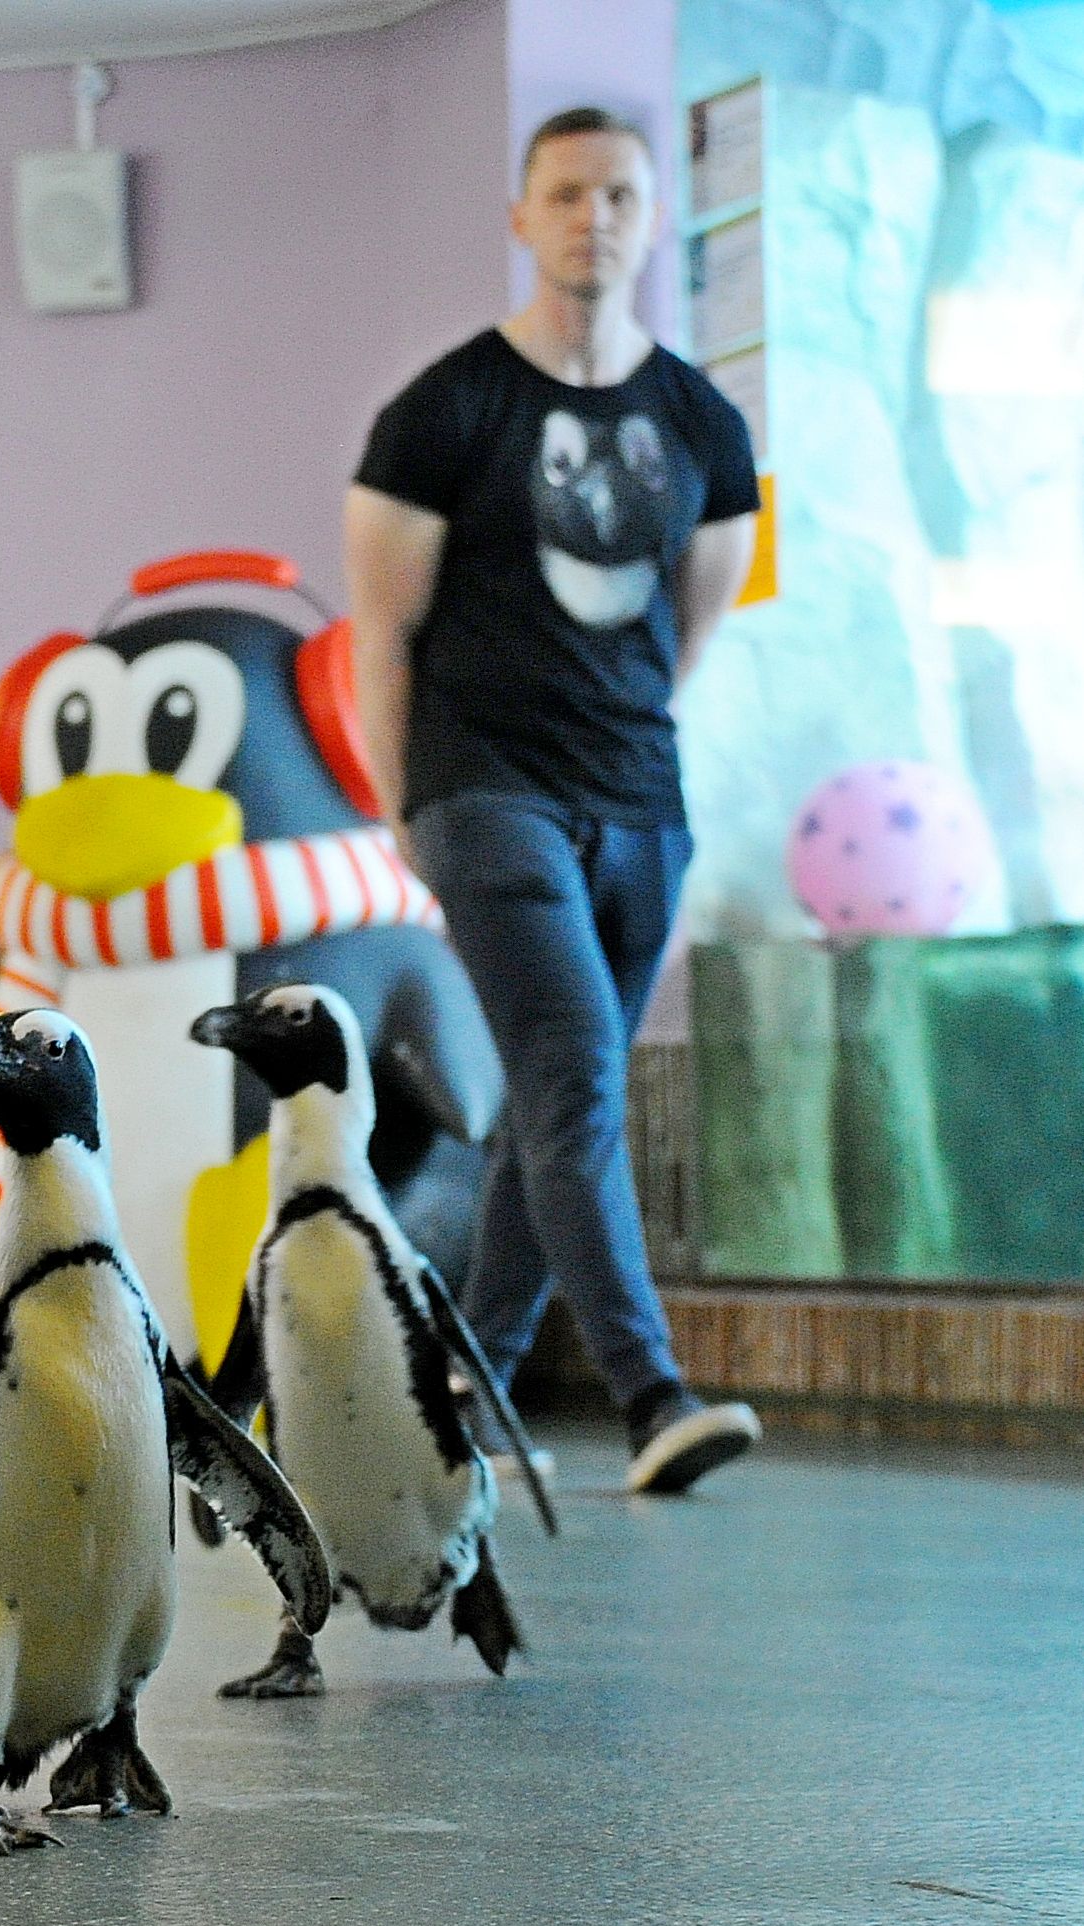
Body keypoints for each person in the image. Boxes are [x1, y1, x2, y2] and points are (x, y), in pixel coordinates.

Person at [343, 107, 763, 1496]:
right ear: (522, 218)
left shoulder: (701, 422)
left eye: (620, 195)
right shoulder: (444, 410)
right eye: (566, 193)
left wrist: (624, 749)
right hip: (483, 795)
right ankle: (653, 1397)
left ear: (652, 220)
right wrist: (413, 808)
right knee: (576, 1071)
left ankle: (465, 1382)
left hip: (639, 800)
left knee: (544, 1104)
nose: (594, 216)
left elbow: (687, 625)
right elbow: (377, 634)